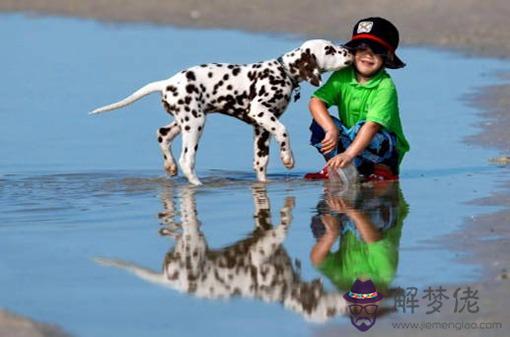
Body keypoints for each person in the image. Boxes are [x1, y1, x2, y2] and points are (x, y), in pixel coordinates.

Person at [305, 17, 409, 181]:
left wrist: (348, 154)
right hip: (353, 148)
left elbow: (373, 125)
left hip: (382, 151)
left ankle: (382, 171)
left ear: (387, 56)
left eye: (376, 50)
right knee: (320, 123)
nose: (368, 55)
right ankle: (337, 167)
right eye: (361, 48)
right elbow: (316, 101)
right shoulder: (343, 75)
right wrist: (331, 129)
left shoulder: (385, 86)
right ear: (353, 51)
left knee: (365, 125)